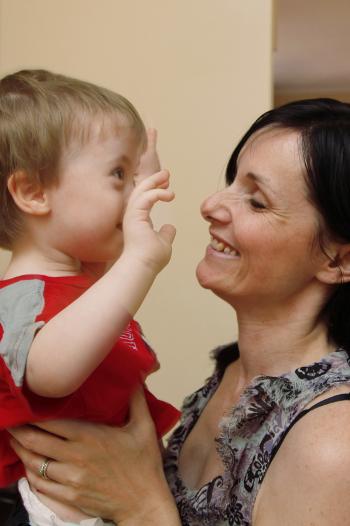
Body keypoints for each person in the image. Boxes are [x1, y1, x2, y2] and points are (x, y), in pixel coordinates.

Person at [8, 98, 350, 526]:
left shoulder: (333, 445)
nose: (210, 205)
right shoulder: (228, 380)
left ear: (339, 261)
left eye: (257, 202)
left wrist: (144, 508)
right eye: (231, 182)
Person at [0, 69, 180, 526]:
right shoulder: (23, 297)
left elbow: (118, 240)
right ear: (33, 192)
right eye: (118, 174)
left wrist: (141, 176)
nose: (133, 190)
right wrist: (141, 261)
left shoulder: (85, 279)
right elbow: (50, 373)